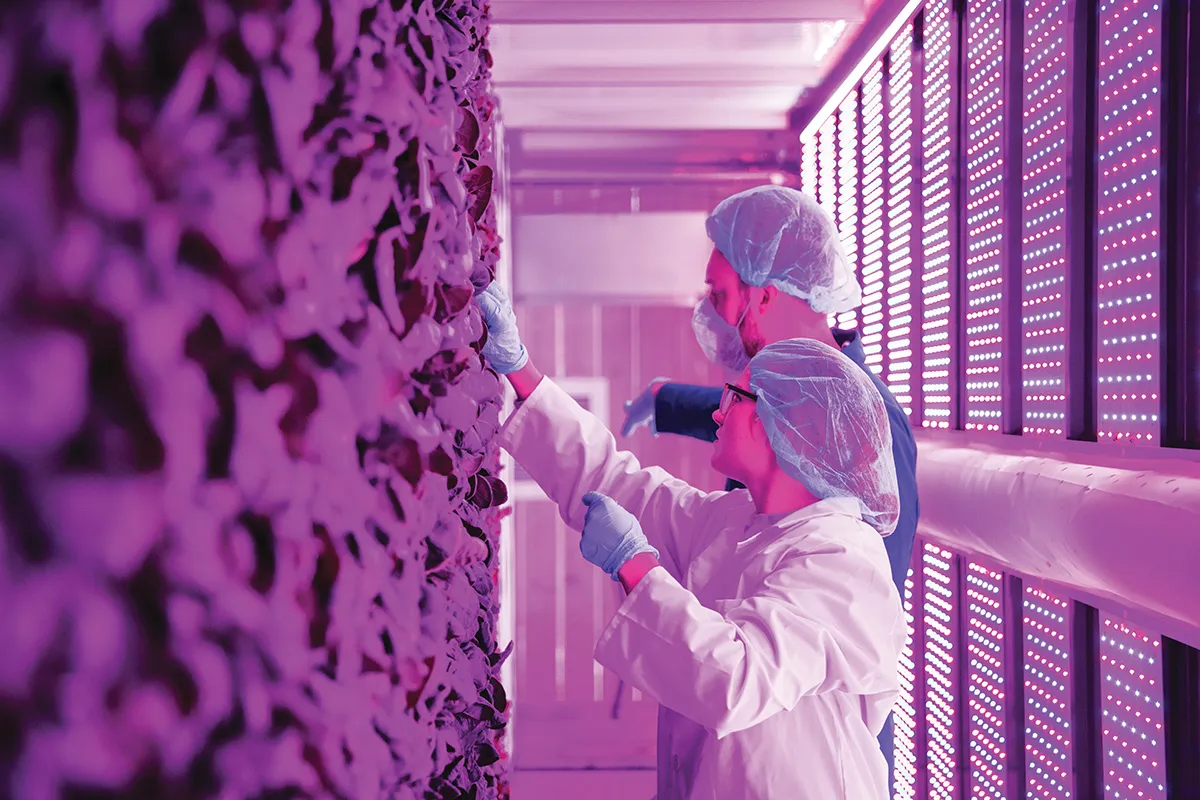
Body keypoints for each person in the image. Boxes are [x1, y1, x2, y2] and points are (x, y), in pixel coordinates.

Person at [477, 282, 904, 800]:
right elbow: (617, 481)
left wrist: (634, 565)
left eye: (736, 398)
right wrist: (518, 367)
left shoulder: (842, 558)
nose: (719, 413)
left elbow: (737, 678)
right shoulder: (738, 520)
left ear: (784, 430)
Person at [620, 186, 919, 787]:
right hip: (737, 702)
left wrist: (643, 574)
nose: (713, 312)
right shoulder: (795, 399)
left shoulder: (862, 428)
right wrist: (664, 401)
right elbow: (754, 423)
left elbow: (828, 611)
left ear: (765, 295)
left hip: (798, 738)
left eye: (722, 295)